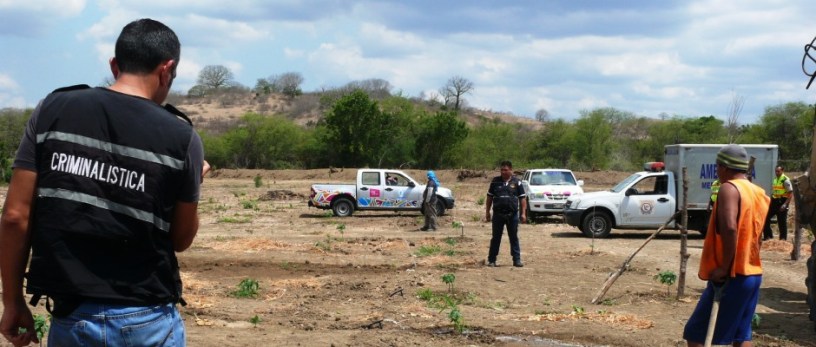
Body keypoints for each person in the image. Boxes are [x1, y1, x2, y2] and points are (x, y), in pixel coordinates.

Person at [0, 19, 209, 346]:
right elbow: (181, 239)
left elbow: (14, 217)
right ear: (166, 70)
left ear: (114, 65)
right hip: (147, 319)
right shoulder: (183, 138)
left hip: (72, 319)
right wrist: (194, 182)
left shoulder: (52, 110)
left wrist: (12, 301)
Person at [683, 144, 770, 347]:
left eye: (717, 166)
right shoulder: (758, 192)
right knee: (741, 335)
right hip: (752, 273)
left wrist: (723, 267)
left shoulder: (729, 188)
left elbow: (731, 228)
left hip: (732, 274)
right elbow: (757, 235)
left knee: (696, 333)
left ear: (723, 166)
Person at [485, 160, 527, 267]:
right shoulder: (495, 181)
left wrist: (523, 213)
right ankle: (492, 260)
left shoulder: (517, 182)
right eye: (502, 170)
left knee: (513, 237)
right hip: (498, 215)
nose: (503, 172)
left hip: (512, 215)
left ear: (511, 170)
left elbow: (522, 198)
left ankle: (516, 260)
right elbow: (489, 197)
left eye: (506, 170)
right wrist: (487, 212)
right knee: (496, 238)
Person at [762, 166, 793, 241]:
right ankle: (768, 237)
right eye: (776, 171)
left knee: (781, 222)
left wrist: (785, 204)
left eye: (778, 171)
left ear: (782, 171)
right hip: (774, 202)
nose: (777, 173)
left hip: (782, 202)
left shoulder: (785, 180)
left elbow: (790, 193)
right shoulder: (775, 179)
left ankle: (782, 240)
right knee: (765, 218)